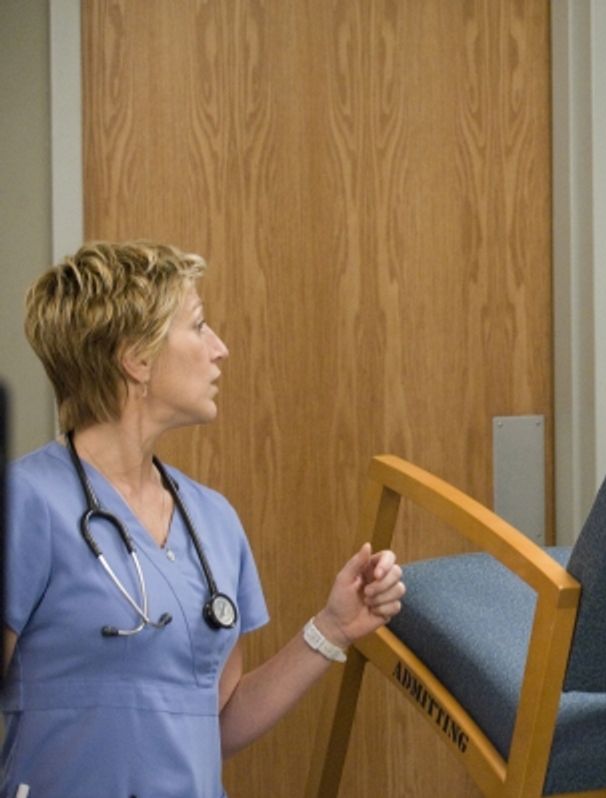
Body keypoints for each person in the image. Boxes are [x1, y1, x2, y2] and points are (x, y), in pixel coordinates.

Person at [2, 241, 407, 797]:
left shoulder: (213, 520)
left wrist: (332, 628)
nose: (220, 349)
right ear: (137, 358)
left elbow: (213, 723)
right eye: (198, 326)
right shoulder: (25, 503)